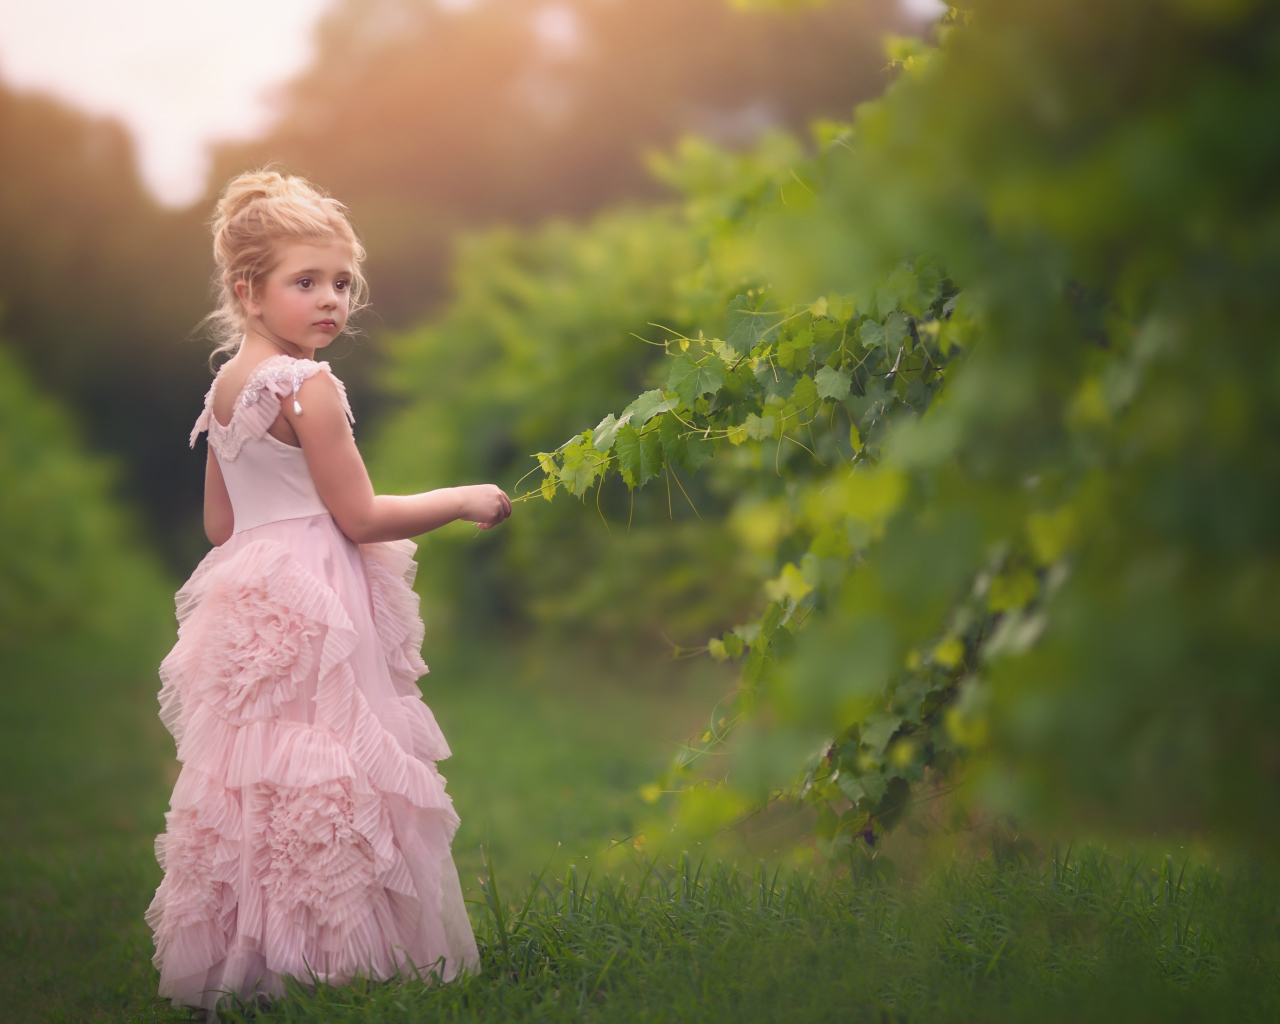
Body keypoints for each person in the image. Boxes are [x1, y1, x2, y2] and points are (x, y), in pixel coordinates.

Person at [146, 170, 509, 1015]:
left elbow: (218, 525)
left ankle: (259, 957)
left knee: (259, 772)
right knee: (333, 761)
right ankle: (340, 952)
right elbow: (359, 514)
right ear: (249, 290)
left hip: (252, 592)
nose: (331, 301)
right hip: (316, 587)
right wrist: (460, 500)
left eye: (342, 282)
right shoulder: (310, 387)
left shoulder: (226, 389)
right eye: (305, 283)